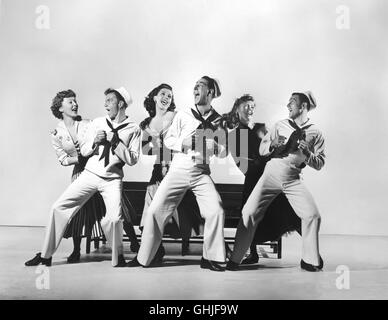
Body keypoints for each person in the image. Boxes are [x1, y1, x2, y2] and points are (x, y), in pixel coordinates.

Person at [25, 87, 141, 268]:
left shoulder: (134, 129)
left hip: (112, 179)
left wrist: (115, 142)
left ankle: (118, 258)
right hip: (90, 174)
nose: (105, 104)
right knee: (58, 207)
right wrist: (95, 141)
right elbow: (85, 150)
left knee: (115, 219)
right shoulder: (97, 122)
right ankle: (46, 256)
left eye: (109, 100)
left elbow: (133, 159)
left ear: (120, 104)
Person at [127, 76, 228, 271]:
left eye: (200, 86)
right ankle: (145, 258)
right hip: (178, 170)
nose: (195, 89)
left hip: (201, 173)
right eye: (195, 86)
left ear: (211, 92)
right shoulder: (183, 114)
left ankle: (211, 258)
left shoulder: (219, 120)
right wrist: (184, 143)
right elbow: (169, 141)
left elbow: (224, 152)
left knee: (216, 210)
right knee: (155, 210)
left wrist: (216, 146)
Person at [227, 91, 325, 272]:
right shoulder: (280, 125)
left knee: (312, 215)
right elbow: (263, 149)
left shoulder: (316, 133)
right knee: (249, 213)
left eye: (292, 102)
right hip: (270, 174)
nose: (288, 105)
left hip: (292, 178)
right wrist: (272, 144)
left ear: (303, 106)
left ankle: (310, 260)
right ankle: (234, 260)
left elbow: (320, 163)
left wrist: (308, 154)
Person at [220, 94, 301, 264]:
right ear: (238, 107)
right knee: (250, 215)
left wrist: (276, 147)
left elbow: (272, 150)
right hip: (252, 178)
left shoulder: (260, 127)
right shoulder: (234, 134)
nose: (250, 109)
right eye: (247, 105)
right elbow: (242, 163)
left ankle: (311, 251)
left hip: (269, 175)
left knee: (289, 213)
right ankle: (253, 253)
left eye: (253, 106)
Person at [140, 83, 202, 257]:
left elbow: (189, 136)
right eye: (163, 94)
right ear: (154, 97)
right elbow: (145, 150)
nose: (166, 98)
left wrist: (171, 144)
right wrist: (158, 146)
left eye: (170, 96)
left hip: (177, 167)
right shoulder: (147, 123)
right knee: (150, 202)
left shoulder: (176, 116)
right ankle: (154, 249)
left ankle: (177, 240)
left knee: (175, 207)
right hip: (158, 169)